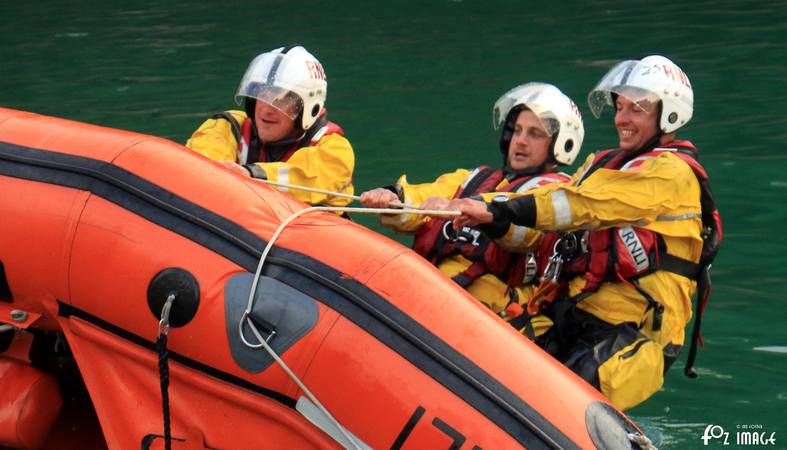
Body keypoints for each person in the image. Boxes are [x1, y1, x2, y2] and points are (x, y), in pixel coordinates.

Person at [442, 55, 722, 410]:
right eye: (620, 107)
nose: (621, 118)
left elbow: (583, 204)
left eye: (636, 108)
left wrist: (499, 206)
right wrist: (492, 218)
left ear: (669, 113)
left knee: (550, 405)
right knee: (489, 371)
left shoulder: (671, 174)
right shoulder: (601, 165)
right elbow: (541, 229)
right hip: (570, 316)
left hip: (630, 336)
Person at [360, 83, 584, 317]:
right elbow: (423, 198)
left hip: (490, 312)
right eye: (516, 130)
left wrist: (480, 212)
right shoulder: (475, 177)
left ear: (560, 144)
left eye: (534, 134)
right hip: (433, 288)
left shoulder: (555, 193)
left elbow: (524, 229)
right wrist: (394, 198)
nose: (520, 141)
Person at [186, 45, 354, 207]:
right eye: (261, 94)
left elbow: (304, 176)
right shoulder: (227, 126)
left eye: (281, 100)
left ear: (308, 108)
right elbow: (201, 161)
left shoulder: (334, 150)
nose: (266, 109)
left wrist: (250, 174)